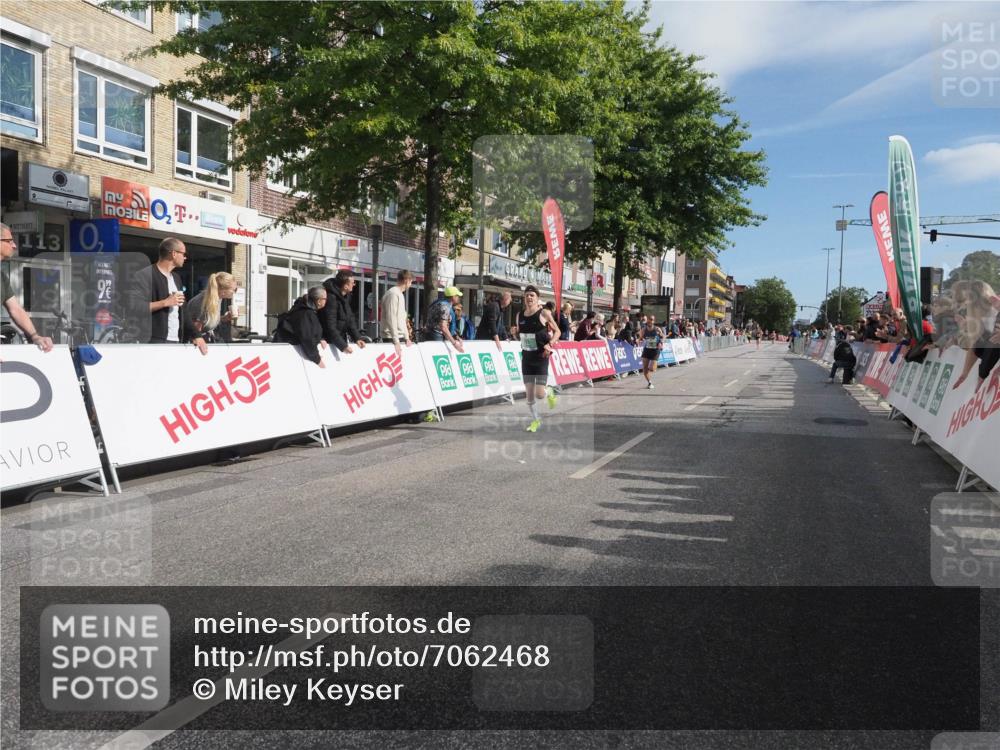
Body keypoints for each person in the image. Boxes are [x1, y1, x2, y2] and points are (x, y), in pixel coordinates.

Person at [0, 222, 54, 351]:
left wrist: (35, 337)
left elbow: (16, 310)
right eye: (9, 241)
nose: (14, 245)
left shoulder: (1, 277)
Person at [515, 285, 561, 433]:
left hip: (541, 356)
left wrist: (550, 344)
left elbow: (558, 331)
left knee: (539, 394)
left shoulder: (544, 313)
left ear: (537, 298)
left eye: (532, 295)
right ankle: (536, 421)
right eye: (527, 295)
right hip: (526, 357)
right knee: (529, 395)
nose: (529, 298)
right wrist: (514, 333)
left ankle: (550, 392)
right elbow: (520, 336)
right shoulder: (519, 315)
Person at [126, 237, 187, 344]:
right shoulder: (144, 275)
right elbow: (134, 306)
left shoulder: (176, 278)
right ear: (173, 254)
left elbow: (183, 311)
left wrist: (196, 335)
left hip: (175, 340)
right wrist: (165, 303)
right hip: (153, 341)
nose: (185, 257)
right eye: (183, 254)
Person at [272, 287, 328, 367]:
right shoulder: (305, 313)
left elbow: (313, 330)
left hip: (290, 352)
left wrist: (320, 338)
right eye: (325, 299)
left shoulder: (306, 309)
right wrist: (317, 360)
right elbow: (307, 338)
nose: (326, 301)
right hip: (285, 354)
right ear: (319, 301)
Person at [184, 272, 237, 354]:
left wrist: (224, 318)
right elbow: (195, 329)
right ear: (223, 290)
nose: (235, 292)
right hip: (196, 344)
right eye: (234, 289)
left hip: (207, 339)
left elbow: (207, 321)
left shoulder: (218, 298)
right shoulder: (202, 302)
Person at [321, 269, 367, 354]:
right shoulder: (331, 299)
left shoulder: (346, 296)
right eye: (353, 282)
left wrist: (357, 338)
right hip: (328, 343)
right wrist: (343, 345)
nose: (354, 284)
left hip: (338, 340)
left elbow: (349, 318)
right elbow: (330, 325)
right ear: (345, 286)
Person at [381, 270, 414, 355]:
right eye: (411, 282)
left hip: (399, 337)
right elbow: (391, 318)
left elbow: (402, 319)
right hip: (391, 338)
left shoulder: (399, 294)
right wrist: (396, 341)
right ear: (406, 280)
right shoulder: (393, 294)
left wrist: (407, 337)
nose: (411, 284)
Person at [639, 315, 665, 389]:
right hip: (647, 349)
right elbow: (640, 338)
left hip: (655, 349)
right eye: (650, 319)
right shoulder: (644, 330)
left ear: (654, 321)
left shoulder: (657, 329)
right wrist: (638, 340)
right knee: (644, 368)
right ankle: (649, 383)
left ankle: (654, 365)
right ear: (647, 321)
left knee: (652, 369)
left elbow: (663, 337)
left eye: (652, 319)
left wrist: (661, 343)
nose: (651, 321)